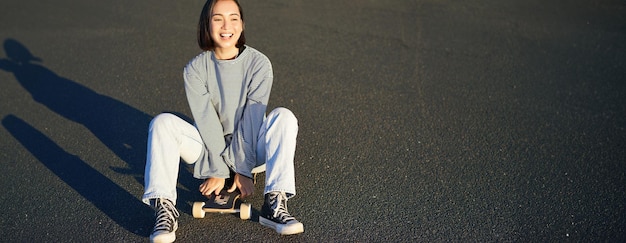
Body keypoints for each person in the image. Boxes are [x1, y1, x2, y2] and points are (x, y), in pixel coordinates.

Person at [142, 0, 304, 242]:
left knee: (284, 116)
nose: (226, 25)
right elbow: (206, 121)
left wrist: (242, 168)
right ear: (206, 25)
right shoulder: (195, 69)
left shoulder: (259, 64)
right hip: (208, 148)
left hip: (252, 149)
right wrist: (217, 169)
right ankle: (165, 209)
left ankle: (274, 204)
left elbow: (252, 118)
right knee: (162, 122)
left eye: (233, 18)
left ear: (241, 24)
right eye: (218, 18)